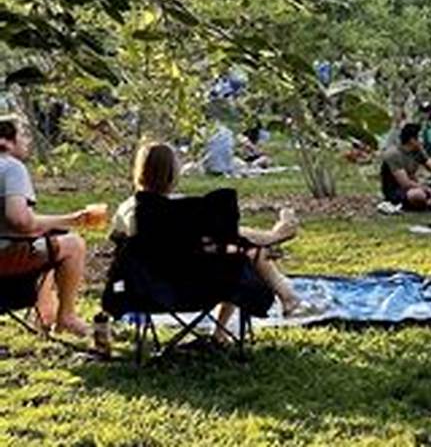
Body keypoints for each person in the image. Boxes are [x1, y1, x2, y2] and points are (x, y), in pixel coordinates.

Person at [112, 142, 317, 324]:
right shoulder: (186, 208)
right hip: (205, 287)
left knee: (238, 248)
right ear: (173, 174)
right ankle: (224, 330)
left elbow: (118, 245)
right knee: (239, 253)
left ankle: (284, 282)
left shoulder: (126, 209)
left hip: (147, 292)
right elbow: (230, 234)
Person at [0, 118, 98, 337]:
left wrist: (62, 222)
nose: (27, 141)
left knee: (49, 241)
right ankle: (67, 318)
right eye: (22, 135)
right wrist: (72, 219)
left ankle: (47, 313)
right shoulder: (11, 167)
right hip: (4, 258)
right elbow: (20, 221)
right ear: (5, 142)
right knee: (73, 244)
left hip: (9, 248)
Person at [379, 123, 431, 212]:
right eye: (420, 137)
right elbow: (405, 183)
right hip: (397, 191)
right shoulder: (393, 154)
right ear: (412, 140)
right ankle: (429, 203)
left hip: (415, 185)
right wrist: (428, 190)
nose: (423, 140)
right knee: (418, 195)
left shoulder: (418, 151)